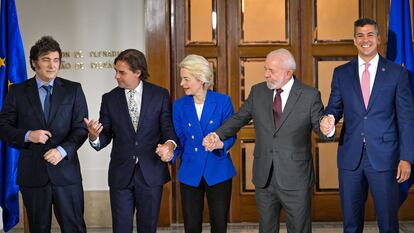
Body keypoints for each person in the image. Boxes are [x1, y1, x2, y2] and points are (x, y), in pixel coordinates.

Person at [203, 48, 325, 233]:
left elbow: (321, 129)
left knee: (299, 229)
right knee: (266, 228)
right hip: (264, 176)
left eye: (271, 71)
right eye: (265, 69)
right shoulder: (258, 91)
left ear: (288, 72)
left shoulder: (310, 95)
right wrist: (217, 134)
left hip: (296, 177)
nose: (266, 74)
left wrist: (328, 127)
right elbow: (239, 118)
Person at [320, 18, 414, 233]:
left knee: (388, 223)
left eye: (370, 35)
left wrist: (406, 158)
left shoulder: (396, 73)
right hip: (350, 158)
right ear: (354, 40)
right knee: (351, 225)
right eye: (360, 35)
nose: (365, 40)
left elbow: (407, 120)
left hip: (386, 157)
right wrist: (329, 120)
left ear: (379, 39)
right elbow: (334, 108)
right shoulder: (341, 73)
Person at [0, 36, 88, 233]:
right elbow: (3, 127)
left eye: (56, 60)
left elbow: (80, 129)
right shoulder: (17, 92)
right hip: (33, 175)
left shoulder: (73, 90)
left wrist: (62, 151)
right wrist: (27, 135)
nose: (52, 65)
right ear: (34, 62)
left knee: (74, 228)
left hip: (66, 174)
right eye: (46, 59)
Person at [83, 49, 177, 233]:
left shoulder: (160, 95)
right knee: (121, 228)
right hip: (120, 175)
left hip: (151, 173)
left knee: (147, 228)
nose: (116, 76)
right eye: (115, 71)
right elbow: (105, 135)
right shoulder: (109, 99)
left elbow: (167, 128)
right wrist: (94, 136)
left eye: (122, 72)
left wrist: (170, 144)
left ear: (137, 72)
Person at [163, 54, 236, 233]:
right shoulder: (180, 105)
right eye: (182, 79)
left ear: (201, 79)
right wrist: (170, 151)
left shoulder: (222, 101)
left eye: (186, 79)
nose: (182, 83)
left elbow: (231, 134)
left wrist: (220, 144)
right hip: (190, 171)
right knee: (191, 227)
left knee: (219, 226)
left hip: (218, 170)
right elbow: (179, 139)